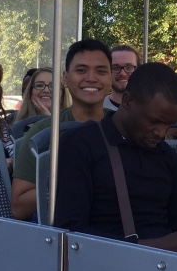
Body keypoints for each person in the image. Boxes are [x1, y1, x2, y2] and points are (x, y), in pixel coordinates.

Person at [53, 62, 177, 256]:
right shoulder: (81, 144)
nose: (161, 133)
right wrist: (159, 246)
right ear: (127, 101)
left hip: (169, 265)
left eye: (168, 125)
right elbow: (69, 234)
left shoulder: (166, 156)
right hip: (102, 264)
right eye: (154, 121)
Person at [11, 40, 113, 220]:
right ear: (65, 78)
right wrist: (73, 181)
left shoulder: (125, 127)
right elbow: (18, 207)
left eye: (101, 71)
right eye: (81, 70)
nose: (91, 77)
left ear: (111, 79)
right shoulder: (43, 133)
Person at [104, 44, 139, 111]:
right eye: (115, 67)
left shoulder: (151, 109)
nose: (122, 74)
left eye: (129, 67)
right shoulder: (95, 110)